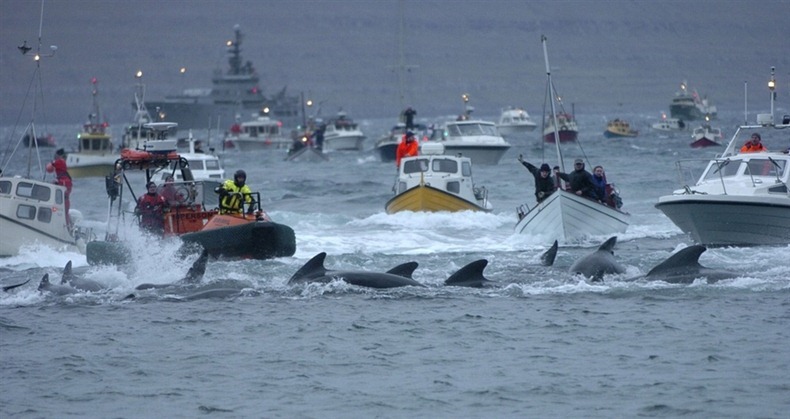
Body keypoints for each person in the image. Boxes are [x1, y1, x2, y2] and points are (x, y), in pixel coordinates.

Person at [46, 148, 73, 226]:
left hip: (64, 183)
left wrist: (52, 162)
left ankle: (65, 226)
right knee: (65, 210)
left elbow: (48, 169)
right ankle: (67, 225)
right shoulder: (62, 162)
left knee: (63, 207)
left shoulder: (59, 161)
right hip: (66, 183)